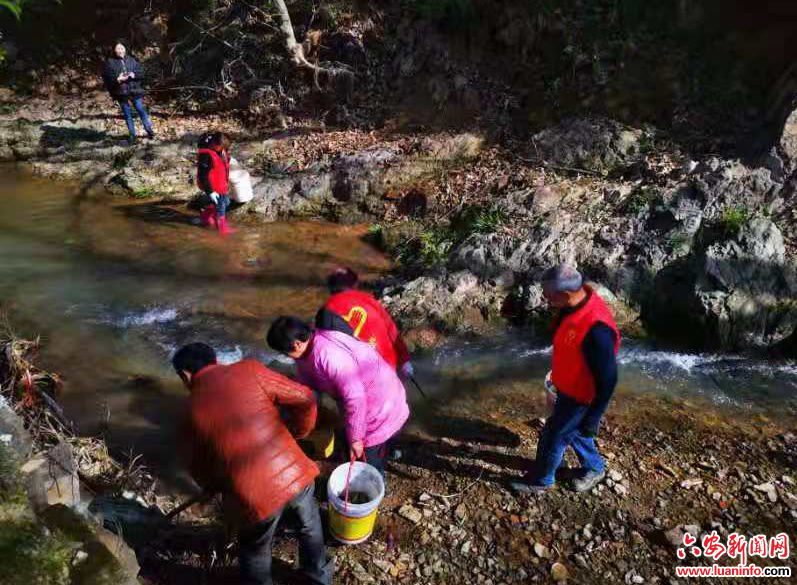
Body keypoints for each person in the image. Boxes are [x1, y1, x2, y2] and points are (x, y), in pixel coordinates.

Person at [172, 342, 332, 585]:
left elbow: (200, 470)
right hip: (297, 473)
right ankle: (319, 577)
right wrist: (299, 432)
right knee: (309, 526)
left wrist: (217, 487)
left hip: (254, 497)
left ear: (186, 375)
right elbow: (306, 397)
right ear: (215, 360)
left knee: (255, 549)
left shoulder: (187, 414)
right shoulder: (249, 370)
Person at [511, 265, 620, 494]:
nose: (545, 300)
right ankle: (595, 467)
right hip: (566, 385)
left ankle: (542, 481)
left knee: (554, 436)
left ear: (565, 294)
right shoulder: (577, 300)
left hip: (581, 396)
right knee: (573, 432)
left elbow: (608, 380)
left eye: (548, 296)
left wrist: (593, 418)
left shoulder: (597, 330)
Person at [267, 316, 409, 477]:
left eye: (284, 352)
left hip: (379, 403)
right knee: (366, 442)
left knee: (367, 458)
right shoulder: (308, 344)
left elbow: (355, 399)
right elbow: (306, 375)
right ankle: (385, 451)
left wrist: (356, 439)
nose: (285, 356)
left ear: (297, 344)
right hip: (375, 394)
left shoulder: (329, 356)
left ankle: (377, 480)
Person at [315, 267, 414, 377]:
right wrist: (405, 361)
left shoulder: (326, 311)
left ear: (330, 287)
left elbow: (322, 347)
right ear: (355, 284)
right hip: (388, 367)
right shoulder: (369, 300)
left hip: (358, 376)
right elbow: (392, 330)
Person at [102, 40, 154, 145]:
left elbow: (140, 73)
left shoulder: (131, 60)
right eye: (118, 49)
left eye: (122, 48)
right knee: (127, 114)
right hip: (120, 92)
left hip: (134, 90)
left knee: (140, 109)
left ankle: (149, 131)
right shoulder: (110, 63)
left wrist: (133, 74)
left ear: (125, 49)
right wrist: (118, 79)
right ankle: (132, 136)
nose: (120, 51)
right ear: (114, 50)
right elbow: (107, 79)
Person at [196, 131, 236, 235]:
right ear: (215, 144)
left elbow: (223, 157)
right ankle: (222, 230)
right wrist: (210, 192)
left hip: (221, 184)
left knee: (226, 202)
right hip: (213, 186)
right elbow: (202, 175)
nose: (223, 150)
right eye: (221, 147)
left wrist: (230, 159)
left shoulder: (220, 149)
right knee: (221, 206)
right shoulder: (206, 155)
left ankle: (205, 216)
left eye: (224, 148)